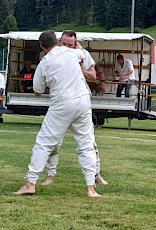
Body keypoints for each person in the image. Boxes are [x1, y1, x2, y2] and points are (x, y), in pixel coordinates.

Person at [14, 30, 100, 197]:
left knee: (44, 142)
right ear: (58, 41)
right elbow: (85, 57)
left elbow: (37, 91)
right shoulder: (73, 52)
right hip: (83, 100)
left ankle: (31, 183)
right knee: (86, 144)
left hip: (62, 103)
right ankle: (91, 188)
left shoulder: (44, 63)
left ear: (41, 46)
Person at [41, 30, 108, 187]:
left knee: (89, 142)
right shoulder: (52, 55)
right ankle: (50, 175)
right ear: (59, 42)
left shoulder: (82, 54)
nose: (66, 46)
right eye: (63, 43)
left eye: (70, 45)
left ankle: (95, 174)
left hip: (79, 102)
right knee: (54, 142)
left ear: (75, 44)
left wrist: (78, 69)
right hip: (59, 103)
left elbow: (93, 76)